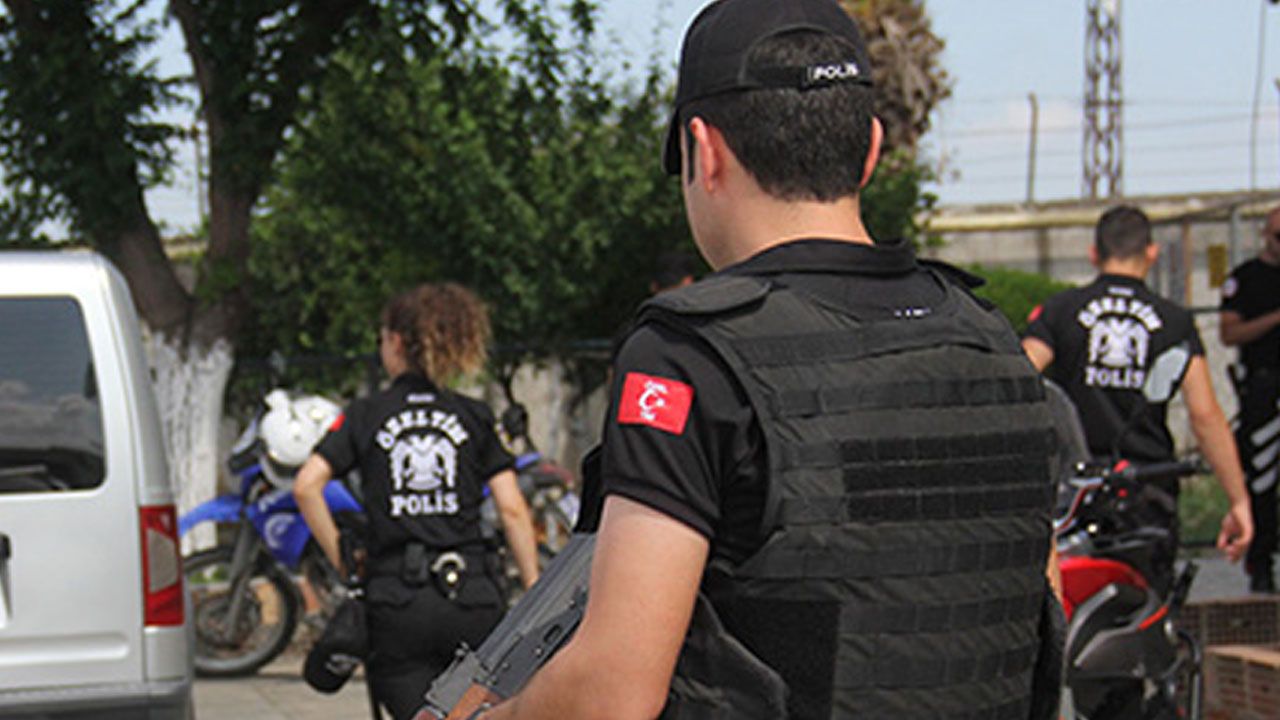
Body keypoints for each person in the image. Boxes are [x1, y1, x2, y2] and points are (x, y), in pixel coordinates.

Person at [484, 1, 1063, 717]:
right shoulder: (992, 340)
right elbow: (1037, 603)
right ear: (871, 149)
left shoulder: (689, 355)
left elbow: (612, 692)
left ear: (704, 151)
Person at [294, 283, 540, 720]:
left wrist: (345, 561)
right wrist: (535, 589)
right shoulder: (474, 414)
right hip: (472, 595)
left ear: (395, 342)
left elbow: (307, 486)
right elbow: (512, 509)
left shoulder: (365, 414)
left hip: (397, 601)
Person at [1022, 205, 1253, 594]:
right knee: (1147, 600)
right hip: (1147, 487)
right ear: (1151, 253)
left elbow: (1021, 377)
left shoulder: (1061, 311)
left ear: (1094, 253)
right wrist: (1238, 500)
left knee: (1069, 596)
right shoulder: (1173, 320)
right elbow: (1204, 415)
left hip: (1074, 490)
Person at [1220, 204, 1280, 592]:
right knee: (1261, 476)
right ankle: (1261, 564)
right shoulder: (1247, 279)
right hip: (1263, 388)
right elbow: (1229, 333)